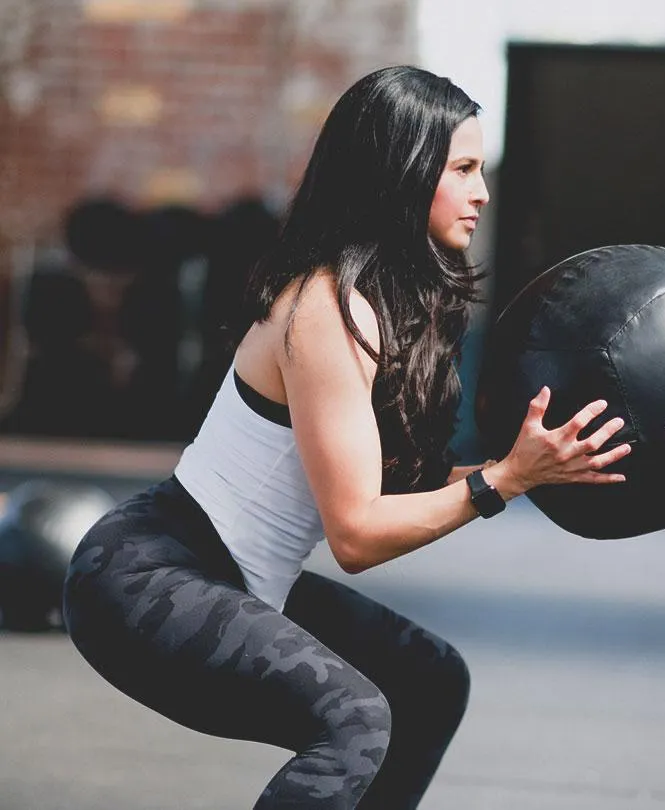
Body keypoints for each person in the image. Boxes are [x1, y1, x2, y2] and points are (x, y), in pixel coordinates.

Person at [62, 66, 631, 809]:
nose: (483, 193)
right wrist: (506, 480)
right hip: (145, 578)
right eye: (462, 169)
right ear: (404, 172)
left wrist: (531, 466)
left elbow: (399, 492)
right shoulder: (327, 308)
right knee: (353, 719)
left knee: (427, 680)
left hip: (229, 575)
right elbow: (358, 534)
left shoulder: (387, 304)